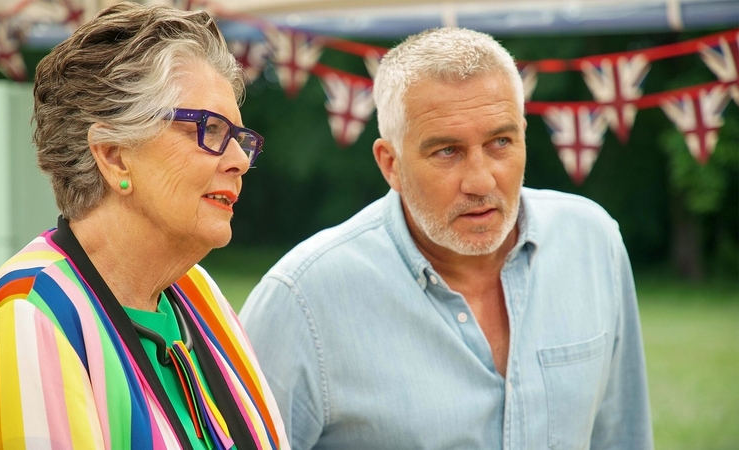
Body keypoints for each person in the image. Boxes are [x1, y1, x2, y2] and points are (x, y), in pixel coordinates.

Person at [240, 27, 652, 449]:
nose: (480, 180)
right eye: (447, 152)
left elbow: (623, 437)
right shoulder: (301, 301)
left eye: (500, 142)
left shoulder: (592, 243)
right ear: (391, 164)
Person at [0, 4, 289, 449]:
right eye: (210, 130)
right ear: (113, 156)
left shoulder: (197, 294)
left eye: (241, 140)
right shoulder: (32, 315)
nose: (240, 161)